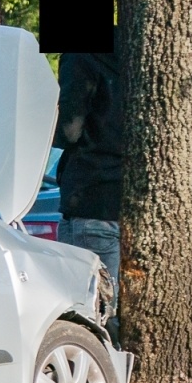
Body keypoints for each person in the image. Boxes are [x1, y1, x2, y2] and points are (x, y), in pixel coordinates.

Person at [53, 49, 123, 301]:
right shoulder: (131, 47)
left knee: (88, 310)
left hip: (90, 198)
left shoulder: (80, 56)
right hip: (124, 201)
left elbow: (69, 129)